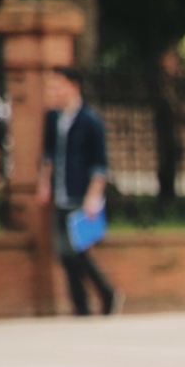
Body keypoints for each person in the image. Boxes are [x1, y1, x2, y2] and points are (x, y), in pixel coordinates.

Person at [34, 66, 120, 317]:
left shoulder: (90, 120)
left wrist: (94, 196)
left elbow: (99, 164)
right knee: (64, 253)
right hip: (60, 194)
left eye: (57, 85)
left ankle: (102, 294)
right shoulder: (53, 118)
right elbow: (48, 155)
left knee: (74, 251)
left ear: (73, 86)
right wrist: (44, 183)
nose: (53, 91)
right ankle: (87, 302)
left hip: (80, 197)